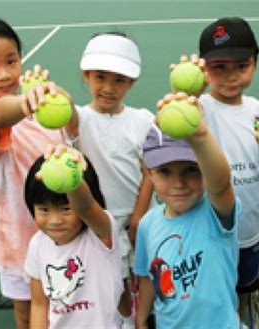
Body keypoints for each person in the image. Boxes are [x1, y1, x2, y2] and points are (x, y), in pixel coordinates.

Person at [0, 17, 66, 329]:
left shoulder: (46, 110)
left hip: (62, 233)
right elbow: (1, 113)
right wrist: (27, 102)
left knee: (66, 308)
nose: (4, 74)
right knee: (27, 315)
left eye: (11, 61)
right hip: (17, 243)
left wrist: (49, 99)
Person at [65, 32, 155, 327]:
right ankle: (126, 320)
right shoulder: (79, 119)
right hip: (100, 223)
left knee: (146, 276)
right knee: (115, 281)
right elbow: (64, 107)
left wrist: (139, 218)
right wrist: (47, 91)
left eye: (120, 80)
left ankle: (140, 321)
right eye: (100, 77)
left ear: (131, 83)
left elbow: (150, 172)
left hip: (142, 219)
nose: (108, 88)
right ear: (86, 76)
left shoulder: (143, 120)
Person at [134, 93, 240, 329]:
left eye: (191, 170)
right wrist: (141, 318)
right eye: (165, 172)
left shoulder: (215, 213)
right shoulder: (147, 225)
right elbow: (147, 277)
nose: (178, 182)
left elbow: (221, 183)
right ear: (149, 173)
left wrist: (200, 136)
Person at [197, 17, 259, 325]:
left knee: (243, 290)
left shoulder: (257, 108)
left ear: (255, 62)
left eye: (241, 66)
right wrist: (188, 90)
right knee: (213, 293)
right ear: (203, 69)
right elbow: (179, 119)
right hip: (212, 233)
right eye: (219, 68)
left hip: (251, 231)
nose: (231, 77)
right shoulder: (199, 107)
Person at [24, 144, 123, 328]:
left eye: (66, 209)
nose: (55, 220)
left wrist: (72, 177)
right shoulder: (37, 244)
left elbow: (85, 207)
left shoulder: (101, 233)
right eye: (44, 210)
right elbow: (39, 304)